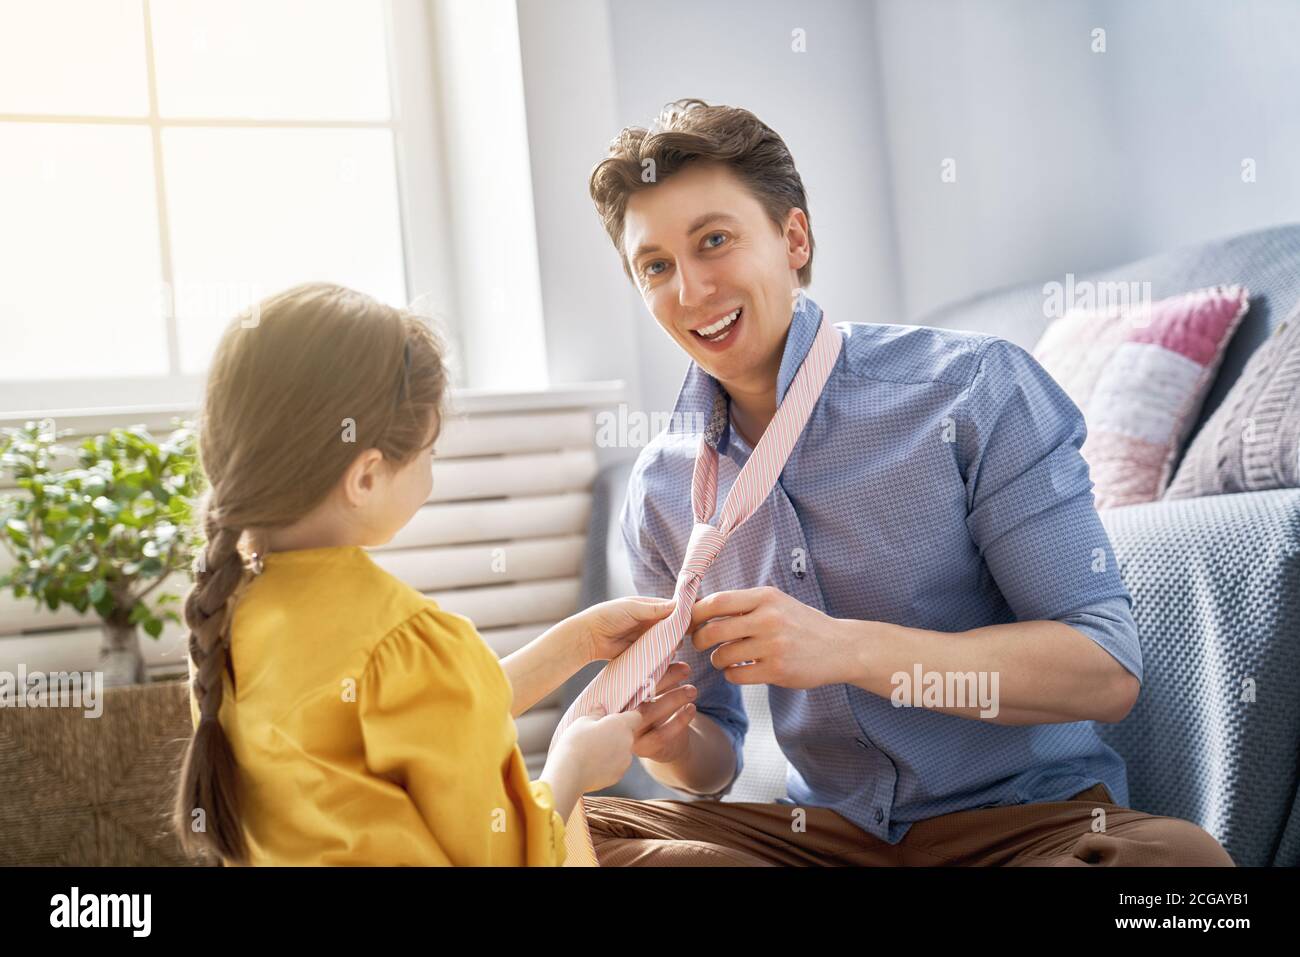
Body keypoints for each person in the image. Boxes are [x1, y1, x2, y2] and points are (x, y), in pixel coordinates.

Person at [580, 99, 1235, 866]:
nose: (690, 291)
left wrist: (847, 649)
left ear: (794, 238)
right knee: (573, 834)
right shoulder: (662, 491)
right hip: (819, 838)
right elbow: (712, 760)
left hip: (1025, 827)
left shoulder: (973, 389)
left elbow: (1104, 670)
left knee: (1183, 873)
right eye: (655, 266)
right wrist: (672, 740)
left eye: (714, 241)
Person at [172, 281, 671, 865]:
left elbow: (432, 719)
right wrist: (574, 769)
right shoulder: (406, 641)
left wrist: (578, 643)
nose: (431, 473)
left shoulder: (229, 609)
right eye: (430, 452)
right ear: (364, 477)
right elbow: (505, 856)